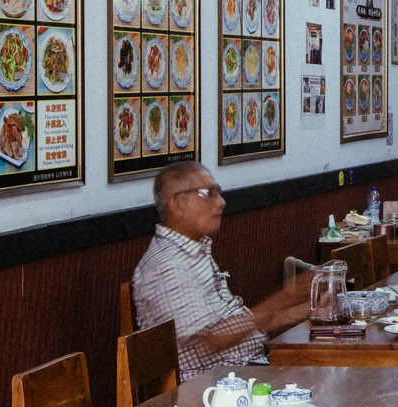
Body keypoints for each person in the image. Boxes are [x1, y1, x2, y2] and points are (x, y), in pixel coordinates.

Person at [130, 161, 311, 377]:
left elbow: (253, 324)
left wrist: (312, 309)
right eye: (209, 194)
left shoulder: (194, 251)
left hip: (245, 368)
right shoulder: (167, 266)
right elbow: (207, 341)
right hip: (209, 388)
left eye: (219, 193)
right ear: (177, 204)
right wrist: (287, 295)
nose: (222, 203)